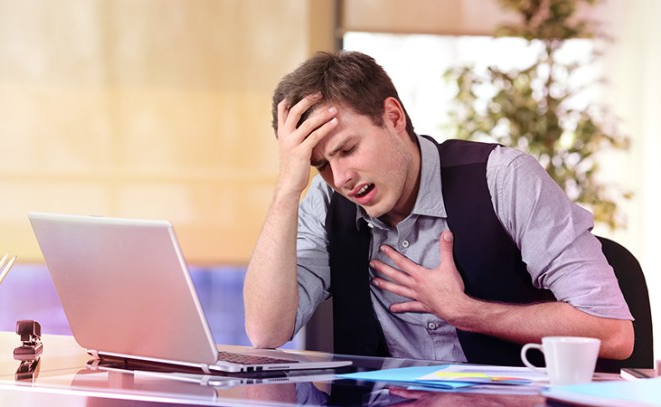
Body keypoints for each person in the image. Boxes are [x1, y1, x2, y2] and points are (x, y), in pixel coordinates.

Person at [243, 50, 633, 366]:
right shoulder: (326, 201)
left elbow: (613, 330)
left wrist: (466, 312)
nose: (341, 177)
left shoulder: (504, 178)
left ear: (393, 117)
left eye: (348, 149)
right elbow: (265, 333)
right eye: (321, 165)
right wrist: (287, 189)